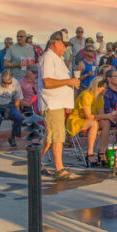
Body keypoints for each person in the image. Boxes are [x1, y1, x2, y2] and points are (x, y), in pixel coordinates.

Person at [39, 31, 81, 181]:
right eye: (64, 45)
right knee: (57, 137)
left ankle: (36, 162)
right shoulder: (48, 57)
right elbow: (48, 82)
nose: (65, 48)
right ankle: (59, 169)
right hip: (52, 103)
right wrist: (70, 82)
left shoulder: (57, 58)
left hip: (57, 103)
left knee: (51, 137)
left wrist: (66, 102)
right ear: (55, 43)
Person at [67, 74, 114, 165]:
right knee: (94, 123)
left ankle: (101, 152)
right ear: (98, 87)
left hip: (90, 121)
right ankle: (90, 153)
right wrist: (107, 115)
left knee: (106, 123)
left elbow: (101, 116)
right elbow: (89, 116)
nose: (106, 90)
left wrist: (109, 116)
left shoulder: (100, 98)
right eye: (104, 87)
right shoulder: (86, 95)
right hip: (76, 120)